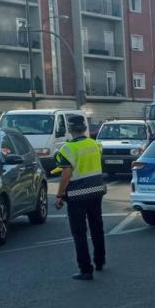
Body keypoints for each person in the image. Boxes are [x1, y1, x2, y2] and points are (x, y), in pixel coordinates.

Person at [54, 116, 107, 281]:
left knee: (79, 232)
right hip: (96, 191)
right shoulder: (95, 144)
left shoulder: (67, 149)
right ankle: (100, 261)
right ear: (84, 128)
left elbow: (66, 174)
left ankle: (86, 269)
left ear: (70, 130)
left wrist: (59, 195)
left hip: (77, 194)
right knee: (97, 226)